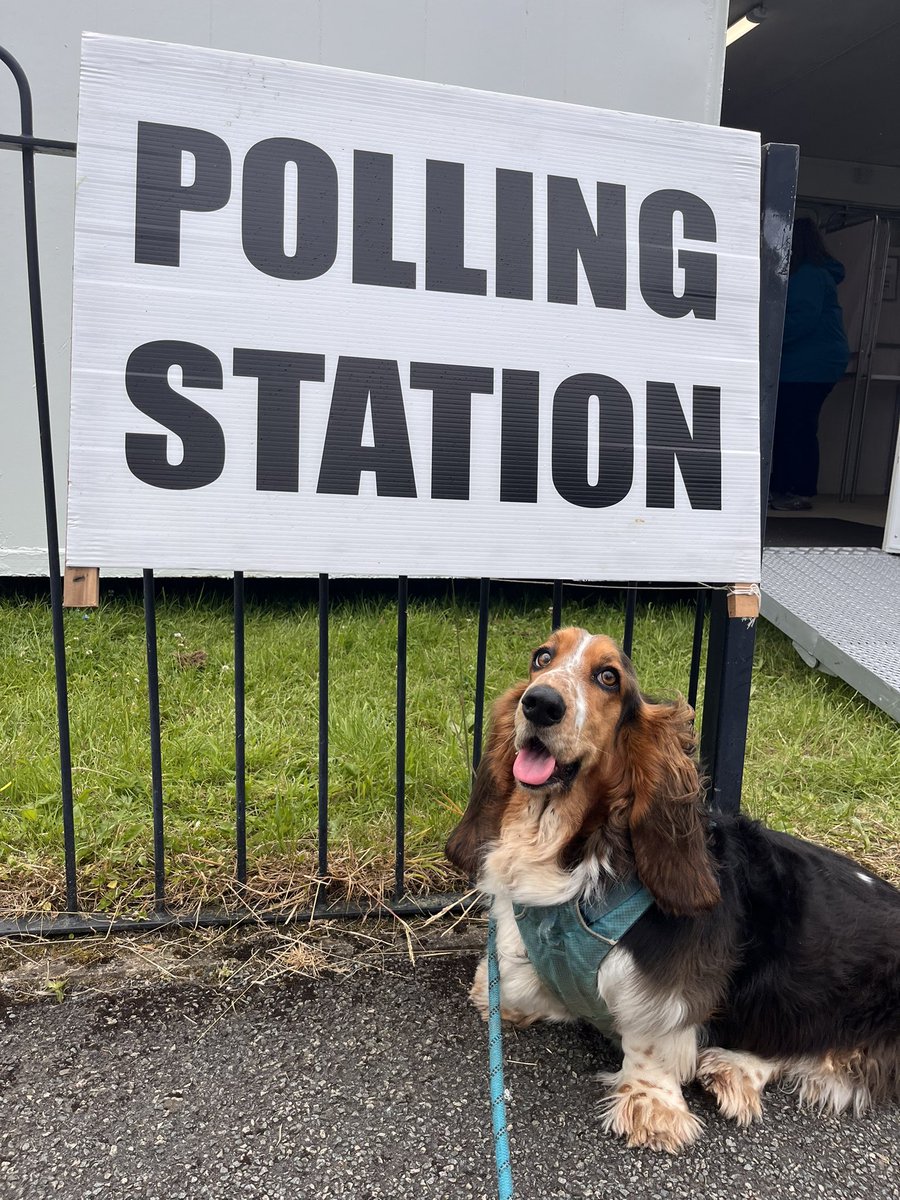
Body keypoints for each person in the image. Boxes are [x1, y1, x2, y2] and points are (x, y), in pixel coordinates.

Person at [769, 218, 851, 510]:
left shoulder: (807, 275)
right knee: (794, 425)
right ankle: (784, 488)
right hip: (814, 364)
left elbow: (800, 320)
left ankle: (796, 491)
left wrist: (764, 340)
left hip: (807, 365)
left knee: (795, 426)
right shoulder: (814, 273)